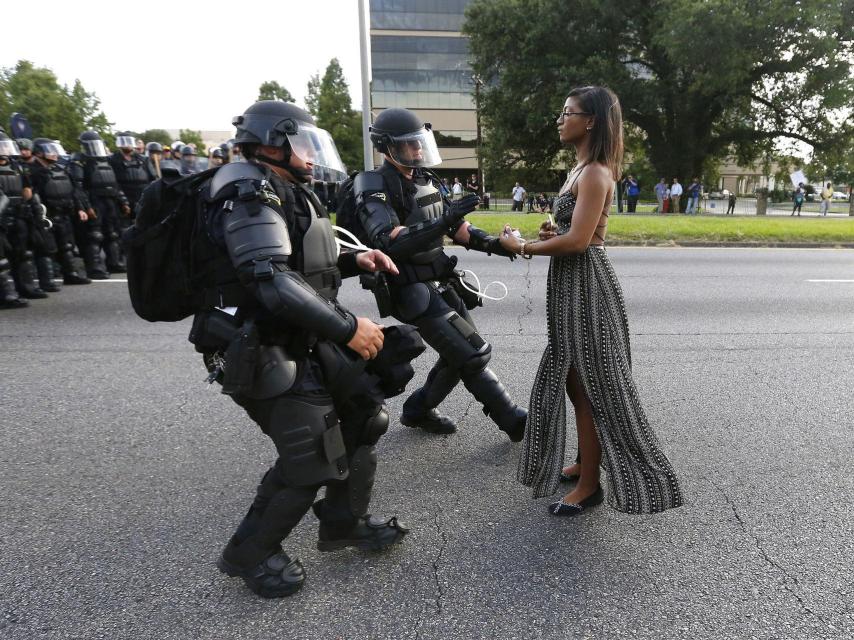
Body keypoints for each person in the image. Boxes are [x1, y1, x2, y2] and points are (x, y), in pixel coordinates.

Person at [188, 100, 409, 598]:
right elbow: (270, 280)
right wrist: (350, 328)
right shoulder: (246, 191)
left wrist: (357, 260)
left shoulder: (279, 187)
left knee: (363, 417)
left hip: (299, 336)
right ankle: (249, 553)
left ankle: (341, 522)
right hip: (258, 345)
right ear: (271, 143)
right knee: (310, 455)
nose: (311, 155)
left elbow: (301, 263)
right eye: (302, 143)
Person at [498, 85, 682, 516]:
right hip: (570, 284)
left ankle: (590, 485)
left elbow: (580, 242)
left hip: (587, 286)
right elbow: (570, 232)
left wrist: (522, 246)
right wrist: (549, 234)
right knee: (573, 379)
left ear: (591, 121)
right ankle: (585, 461)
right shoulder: (578, 170)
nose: (561, 120)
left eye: (569, 112)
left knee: (592, 386)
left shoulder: (597, 172)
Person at [355, 107, 527, 440]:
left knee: (459, 354)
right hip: (409, 287)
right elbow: (387, 240)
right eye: (409, 144)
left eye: (420, 143)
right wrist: (444, 221)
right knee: (472, 352)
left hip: (440, 279)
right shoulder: (373, 184)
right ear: (387, 146)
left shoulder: (425, 179)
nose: (418, 150)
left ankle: (418, 409)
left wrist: (497, 244)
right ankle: (513, 419)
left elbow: (459, 228)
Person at [29, 138, 91, 286]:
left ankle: (71, 275)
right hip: (46, 216)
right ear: (38, 152)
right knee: (46, 249)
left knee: (67, 246)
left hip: (64, 214)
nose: (54, 154)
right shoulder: (32, 171)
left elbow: (73, 191)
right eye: (49, 150)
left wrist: (80, 208)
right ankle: (47, 281)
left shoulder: (61, 169)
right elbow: (31, 195)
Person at [69, 131, 131, 277]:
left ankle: (114, 262)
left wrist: (123, 201)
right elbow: (78, 188)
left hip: (110, 201)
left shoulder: (106, 161)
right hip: (94, 200)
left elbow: (114, 184)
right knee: (94, 235)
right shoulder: (79, 161)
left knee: (113, 233)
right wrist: (86, 206)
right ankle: (95, 267)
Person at [0, 131, 48, 299]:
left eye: (6, 146)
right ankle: (6, 295)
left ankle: (26, 288)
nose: (4, 149)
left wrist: (30, 209)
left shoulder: (17, 166)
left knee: (22, 254)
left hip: (18, 215)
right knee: (1, 258)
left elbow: (27, 190)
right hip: (1, 218)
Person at [110, 133, 156, 213]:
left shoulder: (144, 159)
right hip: (123, 201)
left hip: (143, 199)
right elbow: (113, 182)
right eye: (124, 142)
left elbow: (153, 180)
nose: (127, 145)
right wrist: (123, 201)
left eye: (129, 142)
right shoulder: (113, 160)